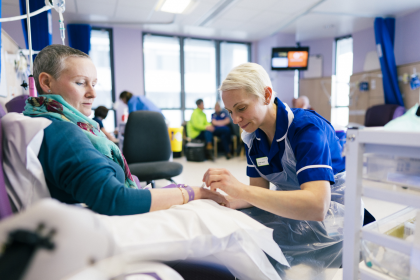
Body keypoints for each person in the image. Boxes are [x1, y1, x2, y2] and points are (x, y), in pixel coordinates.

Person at [25, 44, 227, 216]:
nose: (93, 93)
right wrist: (193, 192)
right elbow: (114, 199)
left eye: (94, 84)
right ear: (46, 82)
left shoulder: (52, 121)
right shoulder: (63, 132)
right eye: (80, 83)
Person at [203, 63, 348, 275]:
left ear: (266, 94)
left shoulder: (306, 129)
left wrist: (240, 189)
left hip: (333, 220)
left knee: (260, 250)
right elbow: (257, 193)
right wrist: (221, 199)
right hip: (293, 209)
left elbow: (318, 206)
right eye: (230, 111)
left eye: (241, 108)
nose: (235, 120)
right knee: (231, 233)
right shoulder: (254, 137)